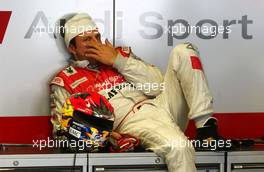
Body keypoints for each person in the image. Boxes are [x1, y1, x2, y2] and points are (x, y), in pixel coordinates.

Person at [50, 13, 221, 172]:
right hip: (132, 123)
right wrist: (108, 138)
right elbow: (62, 131)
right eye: (87, 40)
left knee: (184, 50)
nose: (96, 43)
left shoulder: (121, 54)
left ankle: (207, 130)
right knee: (179, 147)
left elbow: (156, 86)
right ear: (72, 48)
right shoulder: (65, 80)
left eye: (97, 37)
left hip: (162, 104)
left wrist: (118, 61)